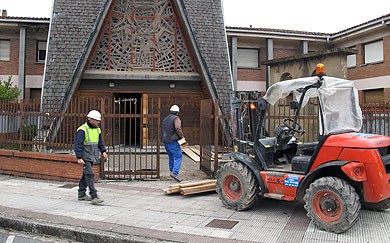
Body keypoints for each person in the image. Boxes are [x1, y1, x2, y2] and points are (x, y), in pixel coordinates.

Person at [74, 110, 107, 205]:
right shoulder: (82, 130)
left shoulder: (97, 129)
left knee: (86, 175)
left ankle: (81, 194)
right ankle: (94, 196)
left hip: (92, 156)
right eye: (97, 120)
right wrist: (79, 157)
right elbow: (78, 145)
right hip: (85, 157)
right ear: (91, 119)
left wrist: (103, 151)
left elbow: (100, 142)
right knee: (90, 175)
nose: (98, 122)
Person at [161, 105, 185, 182]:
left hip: (166, 141)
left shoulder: (166, 118)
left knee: (171, 157)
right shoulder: (176, 118)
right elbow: (178, 127)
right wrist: (181, 136)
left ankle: (171, 171)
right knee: (178, 156)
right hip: (173, 141)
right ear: (178, 112)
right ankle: (175, 173)